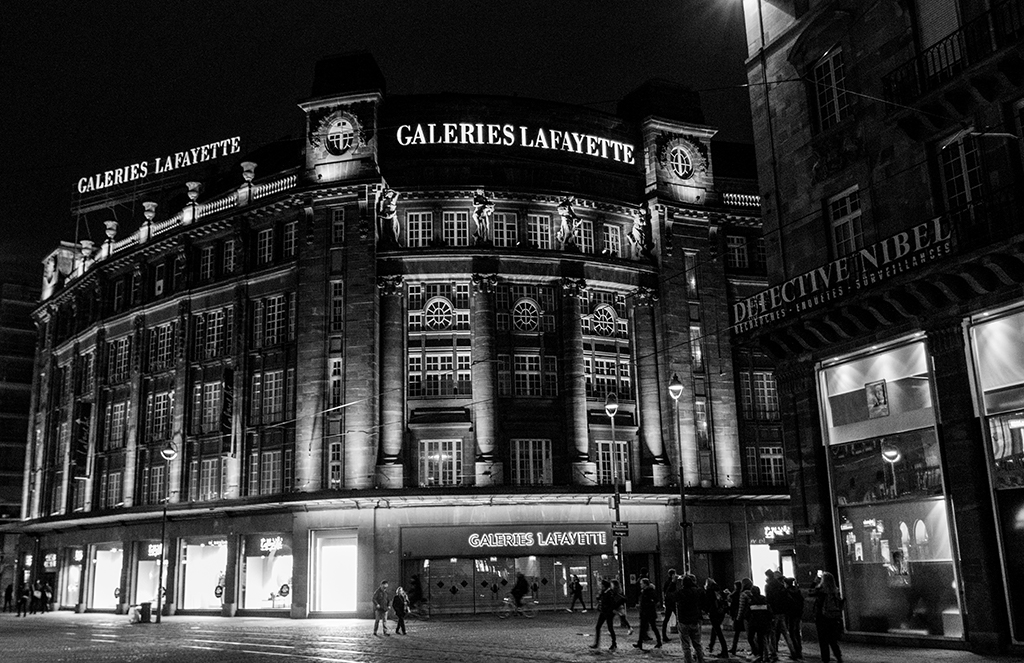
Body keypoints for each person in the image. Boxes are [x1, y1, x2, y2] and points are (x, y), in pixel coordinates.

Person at [811, 572, 844, 663]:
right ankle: (838, 657)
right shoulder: (835, 591)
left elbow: (810, 592)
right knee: (833, 640)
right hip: (833, 618)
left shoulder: (821, 591)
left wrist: (815, 581)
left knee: (823, 641)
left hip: (822, 618)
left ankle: (825, 659)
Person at [675, 573, 705, 663]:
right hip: (694, 620)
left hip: (684, 621)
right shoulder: (697, 592)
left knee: (686, 646)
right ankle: (701, 660)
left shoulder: (680, 593)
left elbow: (669, 595)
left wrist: (673, 583)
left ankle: (688, 661)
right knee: (697, 644)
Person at [767, 570, 797, 660]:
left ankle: (773, 652)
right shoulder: (781, 586)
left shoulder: (769, 586)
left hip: (774, 612)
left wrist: (770, 611)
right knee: (785, 633)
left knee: (772, 633)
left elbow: (769, 600)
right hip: (782, 612)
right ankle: (793, 651)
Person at [590, 579, 622, 651]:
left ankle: (614, 643)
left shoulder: (609, 593)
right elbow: (599, 599)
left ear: (604, 586)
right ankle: (596, 643)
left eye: (601, 585)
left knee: (610, 628)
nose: (600, 586)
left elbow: (611, 603)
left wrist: (610, 610)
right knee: (598, 627)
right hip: (603, 612)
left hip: (608, 613)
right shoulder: (604, 592)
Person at [633, 577, 662, 651]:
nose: (640, 585)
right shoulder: (644, 591)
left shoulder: (649, 591)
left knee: (653, 627)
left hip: (648, 613)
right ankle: (640, 643)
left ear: (645, 584)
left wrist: (647, 605)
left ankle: (659, 642)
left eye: (641, 584)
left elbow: (655, 601)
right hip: (645, 613)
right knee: (643, 628)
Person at [745, 586, 773, 662]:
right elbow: (769, 612)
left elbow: (747, 614)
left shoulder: (751, 601)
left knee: (750, 637)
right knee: (761, 639)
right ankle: (760, 655)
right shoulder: (764, 599)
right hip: (763, 623)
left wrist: (749, 620)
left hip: (753, 623)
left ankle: (756, 652)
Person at [702, 578, 729, 658]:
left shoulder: (709, 591)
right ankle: (711, 645)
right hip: (721, 613)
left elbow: (707, 603)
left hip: (714, 613)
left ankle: (724, 651)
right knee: (715, 630)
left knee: (718, 632)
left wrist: (706, 611)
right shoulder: (718, 590)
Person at [785, 577, 805, 660]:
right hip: (798, 614)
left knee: (792, 633)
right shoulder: (797, 590)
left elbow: (786, 603)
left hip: (790, 614)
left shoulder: (787, 592)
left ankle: (795, 651)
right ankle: (799, 650)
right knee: (796, 632)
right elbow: (802, 601)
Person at [735, 577, 756, 655]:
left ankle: (754, 650)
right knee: (755, 634)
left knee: (749, 635)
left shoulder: (743, 594)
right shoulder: (753, 592)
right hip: (755, 615)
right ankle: (758, 649)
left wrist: (738, 618)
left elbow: (741, 607)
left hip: (747, 616)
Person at [730, 579, 747, 655]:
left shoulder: (735, 594)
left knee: (737, 633)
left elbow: (733, 604)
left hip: (738, 614)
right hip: (742, 615)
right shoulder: (741, 593)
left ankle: (734, 648)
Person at [661, 568, 678, 642]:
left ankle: (664, 635)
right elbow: (667, 592)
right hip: (671, 603)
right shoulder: (670, 583)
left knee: (666, 619)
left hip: (669, 603)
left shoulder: (667, 582)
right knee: (678, 617)